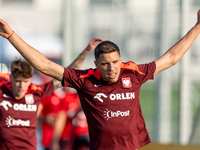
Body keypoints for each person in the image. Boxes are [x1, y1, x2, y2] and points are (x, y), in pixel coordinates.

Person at [0, 9, 200, 150]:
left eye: (114, 62)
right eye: (105, 64)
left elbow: (172, 57)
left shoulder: (133, 73)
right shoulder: (85, 79)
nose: (111, 68)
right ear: (96, 64)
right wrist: (11, 36)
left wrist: (198, 27)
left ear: (120, 60)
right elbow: (44, 65)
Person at [0, 37, 103, 150]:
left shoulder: (36, 92)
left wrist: (86, 51)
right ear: (11, 79)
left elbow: (67, 76)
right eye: (18, 81)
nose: (21, 86)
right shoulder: (2, 93)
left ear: (30, 79)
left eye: (25, 81)